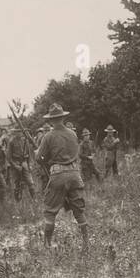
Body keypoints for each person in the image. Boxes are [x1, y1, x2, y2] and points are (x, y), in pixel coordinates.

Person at [34, 103, 88, 250]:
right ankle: (86, 243)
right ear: (63, 118)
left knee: (50, 211)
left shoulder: (48, 136)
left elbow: (39, 159)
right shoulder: (72, 134)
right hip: (75, 173)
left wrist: (45, 158)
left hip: (58, 174)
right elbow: (75, 153)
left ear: (51, 120)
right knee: (79, 210)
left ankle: (47, 244)